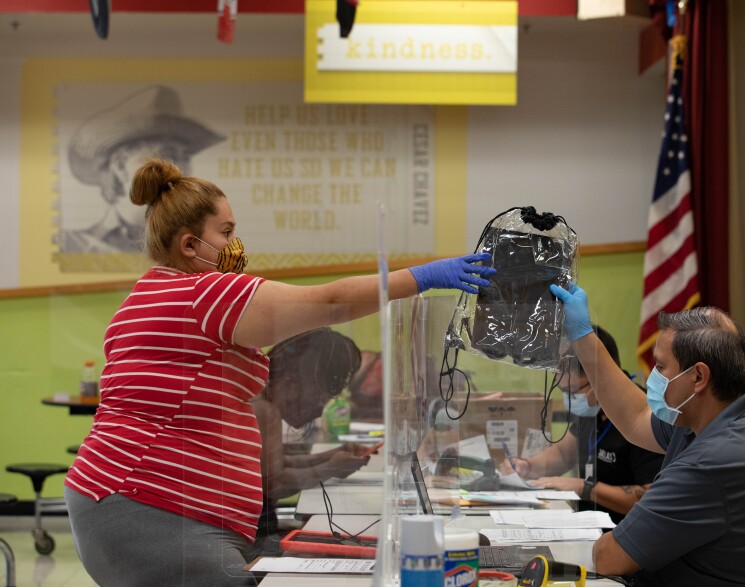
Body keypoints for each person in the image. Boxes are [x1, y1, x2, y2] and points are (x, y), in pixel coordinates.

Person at [63, 158, 496, 587]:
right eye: (227, 233)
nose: (237, 244)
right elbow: (329, 303)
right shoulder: (204, 292)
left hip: (119, 498)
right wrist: (422, 277)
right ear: (190, 245)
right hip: (148, 505)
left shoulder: (147, 294)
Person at [551, 284, 745, 585]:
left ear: (698, 377)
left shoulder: (713, 462)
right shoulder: (721, 413)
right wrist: (582, 337)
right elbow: (636, 417)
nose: (652, 377)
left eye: (661, 366)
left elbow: (609, 558)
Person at [501, 326, 663, 524]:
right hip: (589, 527)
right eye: (564, 391)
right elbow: (563, 454)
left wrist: (584, 487)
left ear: (603, 375)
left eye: (574, 390)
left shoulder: (645, 416)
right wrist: (528, 466)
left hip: (629, 533)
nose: (571, 398)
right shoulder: (592, 407)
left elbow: (652, 499)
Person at [250, 328, 376, 557]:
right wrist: (331, 468)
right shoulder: (264, 409)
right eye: (317, 399)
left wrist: (330, 455)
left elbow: (276, 465)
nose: (318, 412)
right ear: (290, 384)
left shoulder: (262, 402)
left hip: (263, 529)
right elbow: (274, 484)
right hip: (256, 538)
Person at [64, 85, 224, 254]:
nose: (180, 169)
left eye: (185, 156)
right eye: (167, 154)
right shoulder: (74, 244)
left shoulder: (197, 246)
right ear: (120, 166)